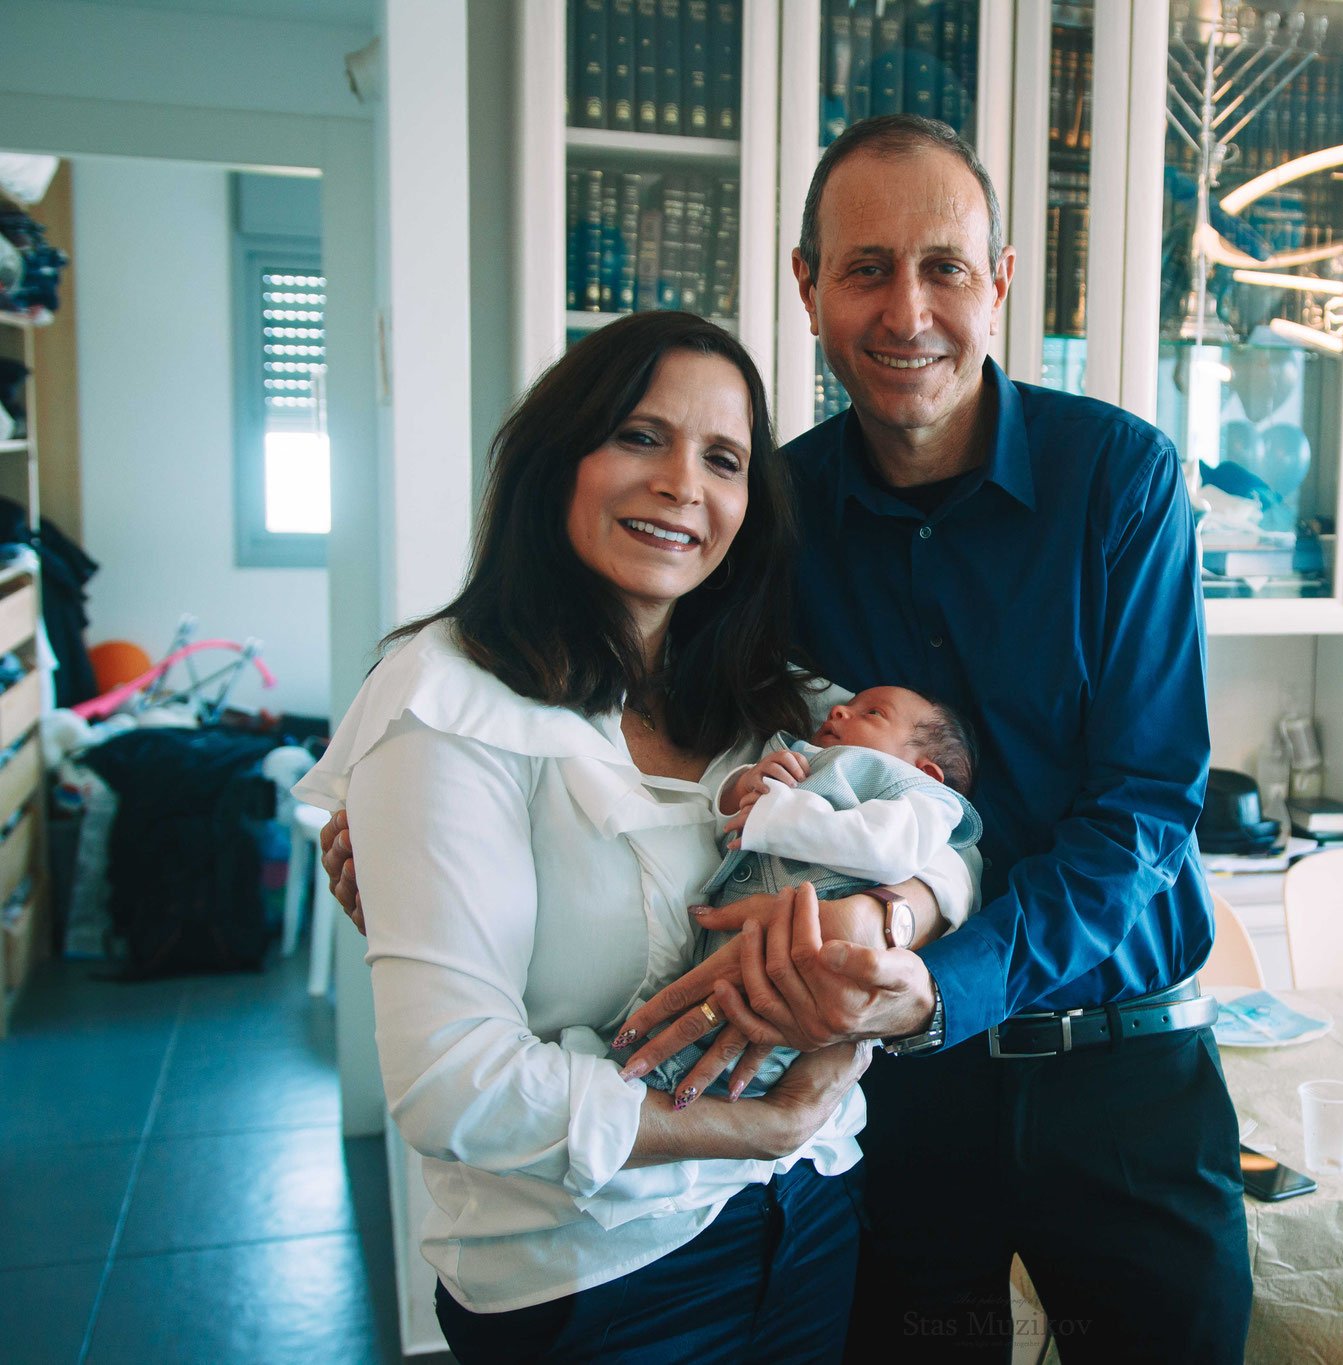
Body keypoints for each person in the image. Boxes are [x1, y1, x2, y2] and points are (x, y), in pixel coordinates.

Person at [327, 116, 1252, 1358]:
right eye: (865, 269)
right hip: (883, 1097)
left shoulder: (1117, 479)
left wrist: (931, 960)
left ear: (999, 283)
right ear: (808, 288)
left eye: (943, 268)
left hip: (1115, 1072)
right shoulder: (767, 511)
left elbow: (1142, 809)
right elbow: (694, 751)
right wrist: (425, 860)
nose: (906, 311)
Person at [297, 311, 972, 1363]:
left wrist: (891, 912)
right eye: (640, 437)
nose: (681, 485)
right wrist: (768, 1124)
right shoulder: (447, 703)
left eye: (723, 460)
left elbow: (949, 826)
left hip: (808, 1217)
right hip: (597, 1275)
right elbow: (451, 1085)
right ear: (557, 458)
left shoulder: (774, 696)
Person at [599, 684, 982, 1101]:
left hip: (808, 969)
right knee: (676, 1025)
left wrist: (779, 814)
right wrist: (741, 789)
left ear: (926, 771)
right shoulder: (800, 756)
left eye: (872, 713)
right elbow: (726, 835)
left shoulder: (924, 798)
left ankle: (681, 1098)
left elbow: (888, 850)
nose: (838, 710)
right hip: (729, 939)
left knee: (740, 1040)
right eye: (847, 705)